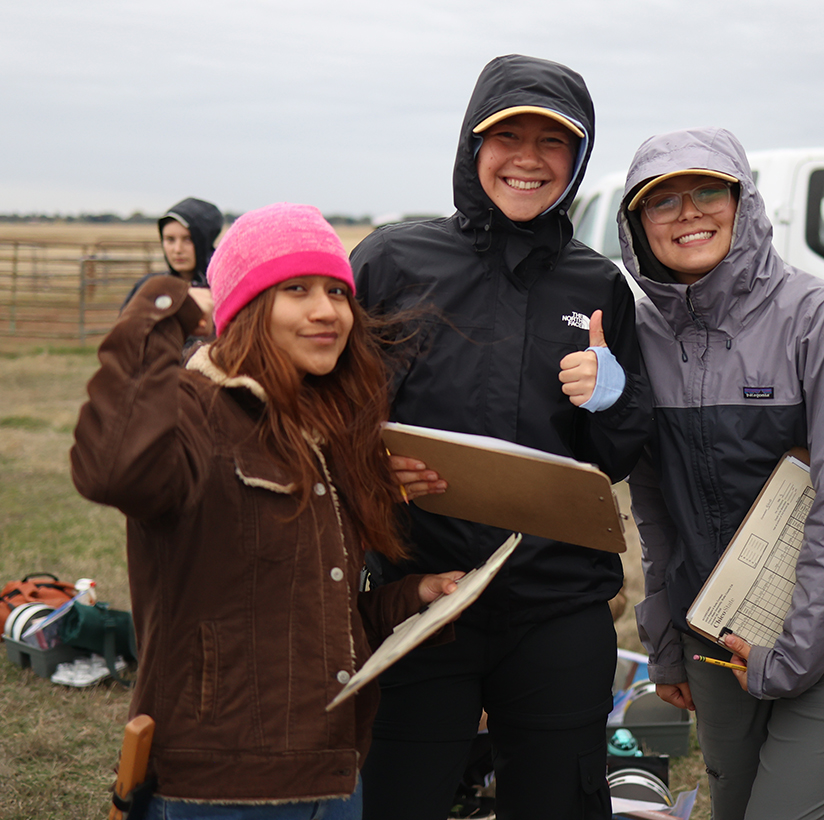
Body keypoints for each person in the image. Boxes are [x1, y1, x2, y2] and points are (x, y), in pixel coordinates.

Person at [71, 202, 463, 818]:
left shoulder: (325, 431)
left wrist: (413, 598)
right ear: (245, 307)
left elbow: (308, 615)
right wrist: (164, 306)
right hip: (222, 788)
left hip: (335, 778)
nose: (326, 310)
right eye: (296, 289)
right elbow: (110, 469)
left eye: (337, 291)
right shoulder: (194, 410)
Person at [350, 54, 651, 819]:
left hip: (558, 604)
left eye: (553, 142)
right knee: (397, 800)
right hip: (423, 598)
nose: (528, 159)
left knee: (558, 800)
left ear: (578, 158)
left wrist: (612, 400)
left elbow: (619, 454)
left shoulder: (598, 284)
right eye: (507, 136)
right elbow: (330, 410)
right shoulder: (393, 261)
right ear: (471, 145)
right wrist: (370, 468)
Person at [619, 127, 824, 820]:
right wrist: (665, 645)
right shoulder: (641, 339)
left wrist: (790, 656)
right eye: (662, 201)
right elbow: (656, 510)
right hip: (718, 633)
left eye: (707, 192)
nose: (688, 213)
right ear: (637, 225)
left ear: (744, 203)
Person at [123, 197, 224, 339]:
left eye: (188, 239)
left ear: (204, 241)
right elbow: (126, 339)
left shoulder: (222, 290)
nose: (177, 249)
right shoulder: (149, 288)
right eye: (170, 239)